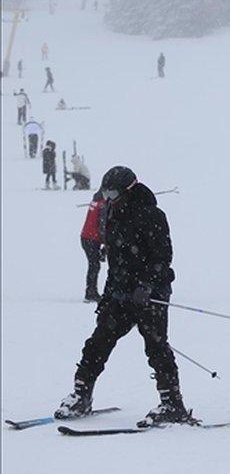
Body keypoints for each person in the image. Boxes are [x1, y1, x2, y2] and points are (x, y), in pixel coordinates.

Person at [56, 166, 197, 426]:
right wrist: (109, 295)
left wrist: (146, 286)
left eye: (112, 193)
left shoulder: (152, 215)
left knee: (156, 347)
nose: (108, 199)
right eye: (105, 193)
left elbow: (163, 256)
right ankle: (81, 394)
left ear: (129, 190)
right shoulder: (112, 212)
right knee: (98, 342)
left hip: (150, 293)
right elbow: (115, 259)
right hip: (120, 292)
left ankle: (172, 404)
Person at [80, 191, 106, 302]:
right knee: (94, 265)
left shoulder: (96, 200)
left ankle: (91, 291)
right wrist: (107, 243)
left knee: (94, 264)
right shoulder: (103, 204)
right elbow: (103, 226)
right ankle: (90, 293)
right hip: (92, 238)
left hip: (86, 237)